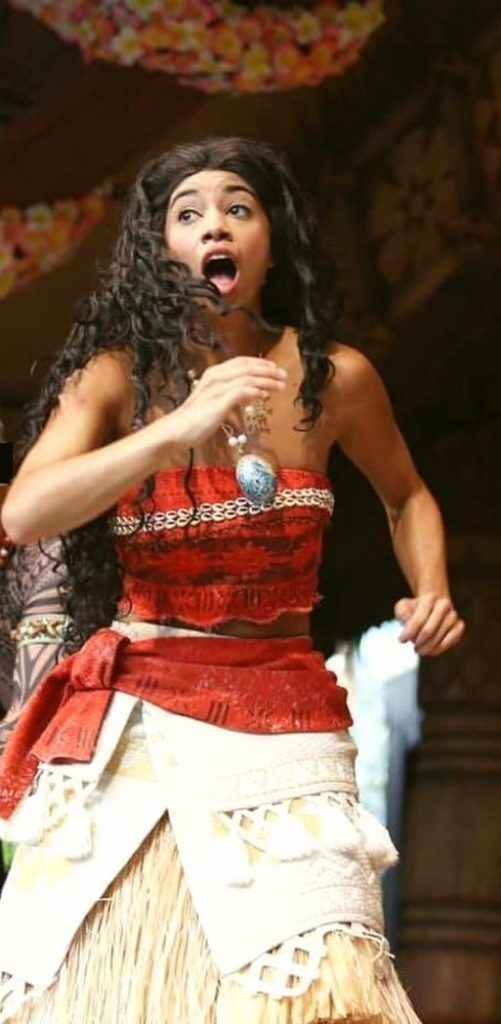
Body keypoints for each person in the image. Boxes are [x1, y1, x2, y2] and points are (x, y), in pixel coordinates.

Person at [0, 137, 463, 1024]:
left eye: (237, 208)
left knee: (323, 985)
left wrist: (431, 585)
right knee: (86, 980)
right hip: (143, 710)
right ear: (162, 251)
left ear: (269, 244)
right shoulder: (117, 379)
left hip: (284, 710)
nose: (214, 224)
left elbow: (406, 496)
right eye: (189, 213)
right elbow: (25, 512)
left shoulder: (333, 377)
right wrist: (176, 430)